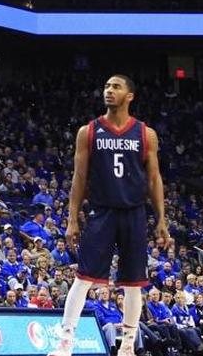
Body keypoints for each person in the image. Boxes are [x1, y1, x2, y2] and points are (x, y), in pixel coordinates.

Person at [51, 75, 170, 356]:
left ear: (130, 95)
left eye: (116, 87)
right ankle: (65, 342)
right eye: (106, 86)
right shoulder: (89, 131)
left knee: (133, 283)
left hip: (134, 212)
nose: (109, 90)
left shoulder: (145, 133)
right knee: (84, 278)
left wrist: (162, 219)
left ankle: (127, 345)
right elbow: (79, 178)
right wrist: (71, 218)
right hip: (101, 211)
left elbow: (154, 179)